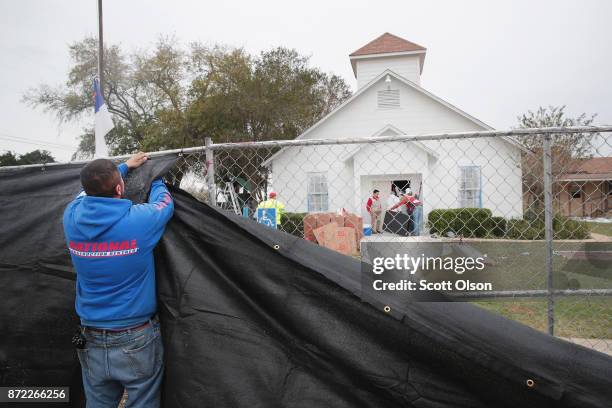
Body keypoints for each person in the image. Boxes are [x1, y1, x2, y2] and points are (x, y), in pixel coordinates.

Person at [63, 152, 174, 408]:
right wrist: (154, 178)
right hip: (135, 336)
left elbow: (83, 196)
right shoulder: (140, 220)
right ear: (120, 188)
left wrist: (122, 167)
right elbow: (165, 203)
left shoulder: (71, 216)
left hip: (90, 336)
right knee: (143, 401)